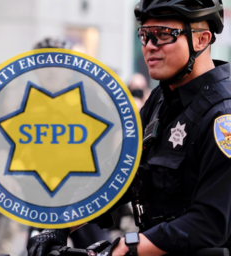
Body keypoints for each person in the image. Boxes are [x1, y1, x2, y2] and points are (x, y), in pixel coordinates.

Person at [27, 0, 229, 255]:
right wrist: (62, 223)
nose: (149, 47)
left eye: (163, 35)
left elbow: (210, 222)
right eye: (144, 35)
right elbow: (117, 174)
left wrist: (129, 245)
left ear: (201, 40)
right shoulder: (159, 101)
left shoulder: (223, 116)